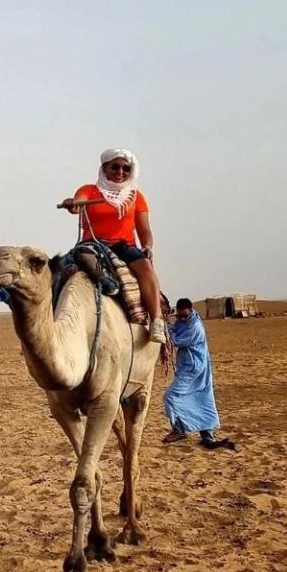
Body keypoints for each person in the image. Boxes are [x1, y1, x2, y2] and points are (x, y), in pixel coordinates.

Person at [62, 148, 166, 344]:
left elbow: (144, 230)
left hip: (124, 245)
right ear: (104, 168)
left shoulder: (136, 196)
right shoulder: (90, 191)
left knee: (146, 269)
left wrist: (147, 247)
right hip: (93, 244)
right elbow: (79, 202)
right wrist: (74, 204)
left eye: (126, 169)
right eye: (115, 167)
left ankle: (157, 321)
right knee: (61, 270)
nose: (120, 172)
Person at [162, 298, 221, 445]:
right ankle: (206, 435)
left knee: (170, 396)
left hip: (194, 367)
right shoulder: (182, 321)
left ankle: (179, 429)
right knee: (198, 397)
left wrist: (166, 330)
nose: (181, 318)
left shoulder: (195, 326)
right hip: (187, 365)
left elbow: (177, 340)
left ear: (190, 310)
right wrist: (170, 326)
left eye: (184, 316)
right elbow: (175, 330)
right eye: (179, 316)